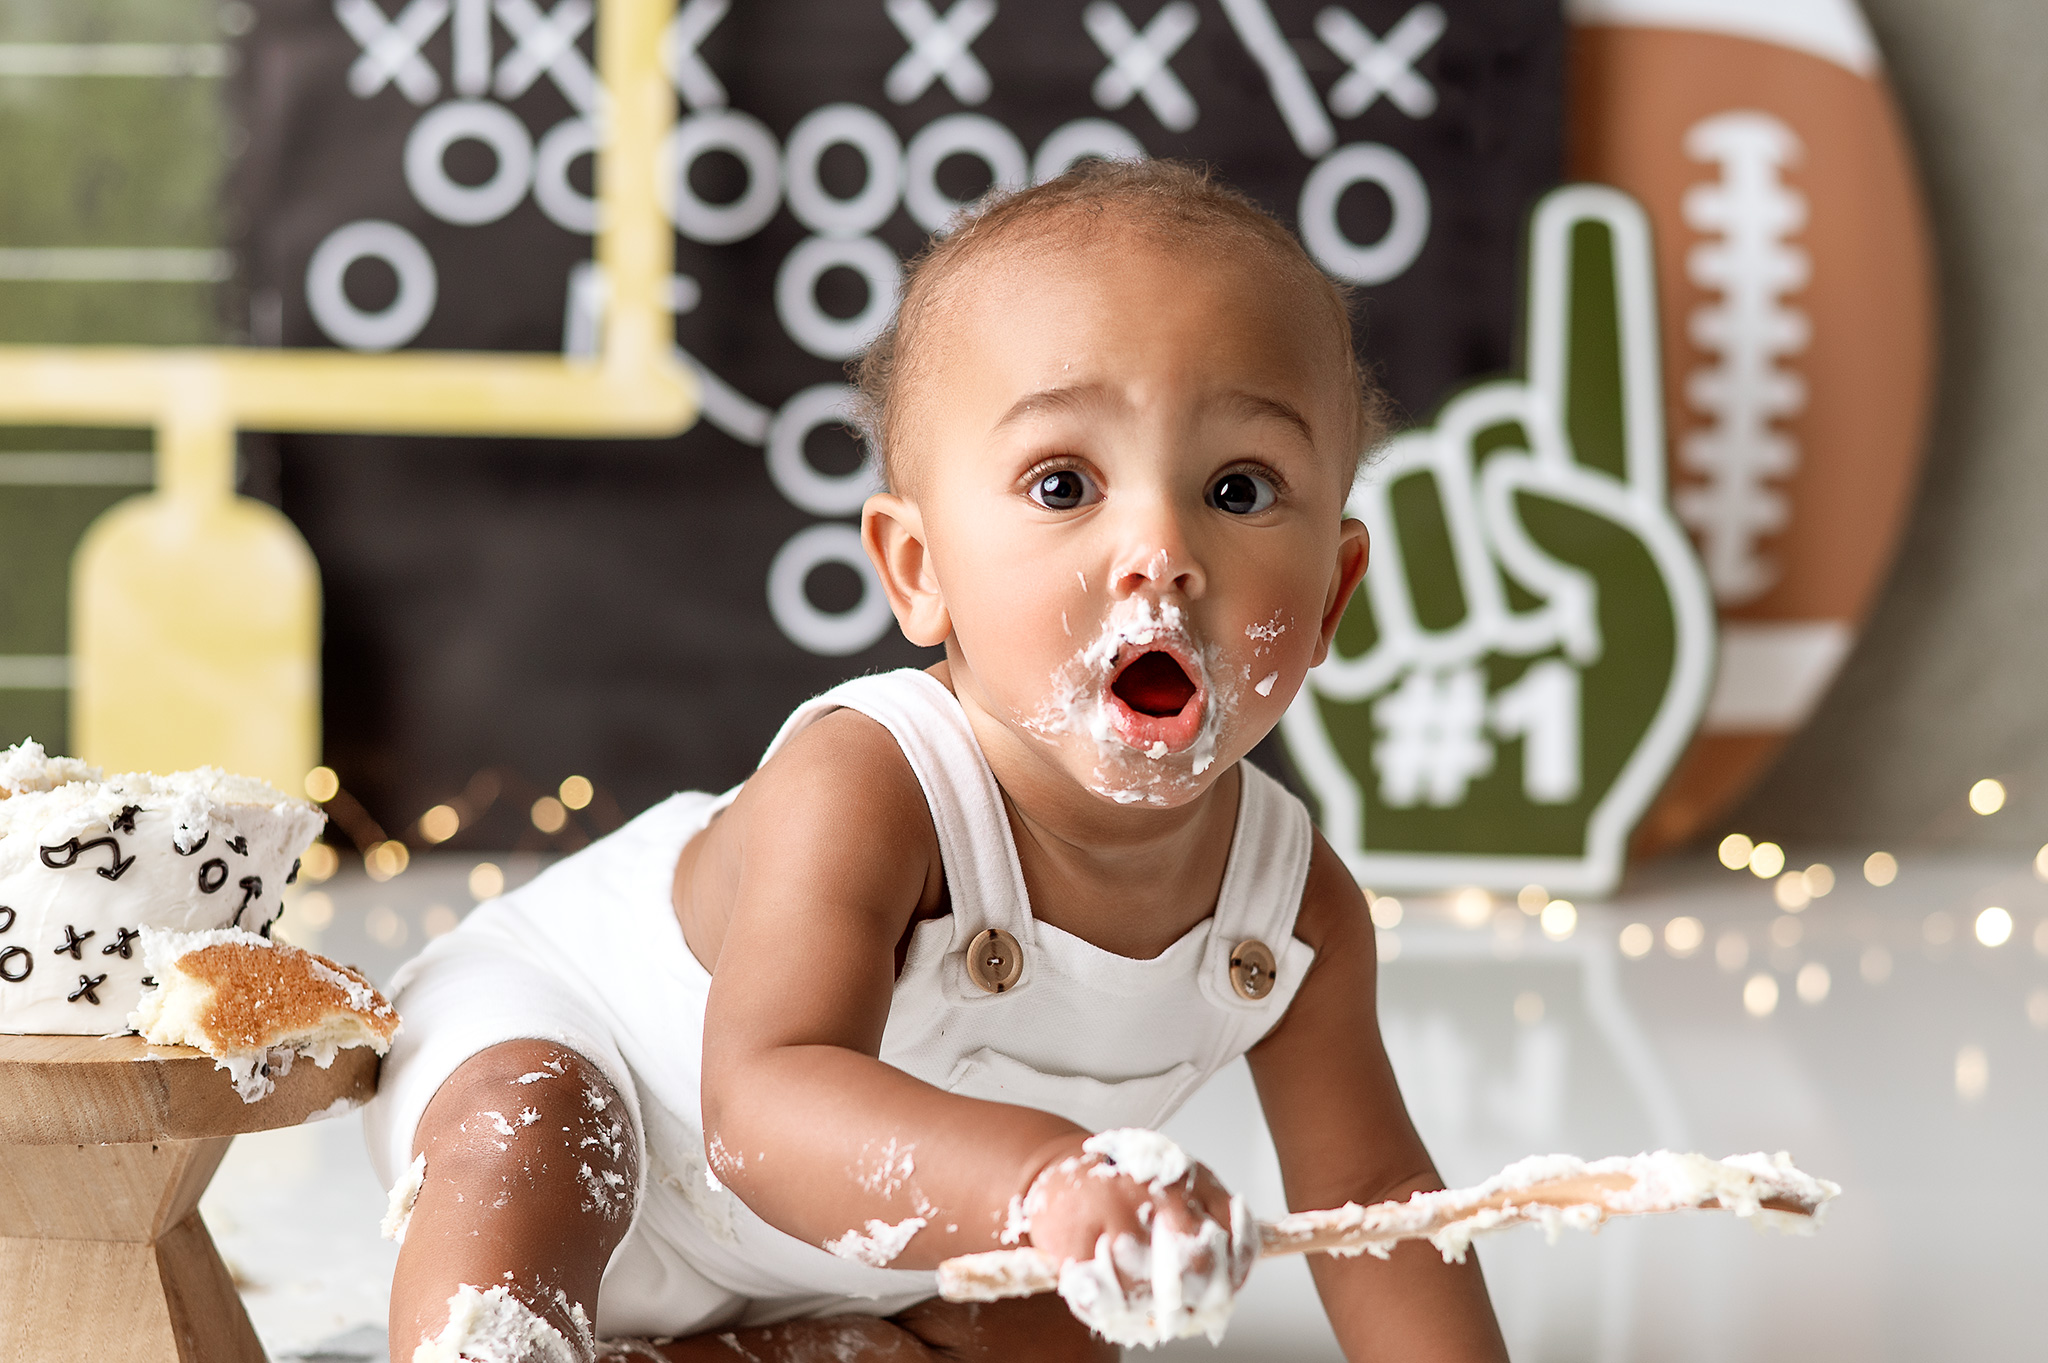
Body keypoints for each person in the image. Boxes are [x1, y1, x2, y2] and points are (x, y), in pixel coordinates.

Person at [368, 158, 1510, 1362]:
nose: (1159, 552)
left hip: (875, 1237)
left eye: (1238, 487)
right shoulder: (869, 782)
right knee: (535, 1134)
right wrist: (1045, 1184)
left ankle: (760, 1345)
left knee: (1065, 1337)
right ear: (918, 569)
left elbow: (1374, 1198)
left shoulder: (1292, 917)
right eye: (1062, 483)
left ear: (1331, 594)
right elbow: (757, 1107)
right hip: (610, 1083)